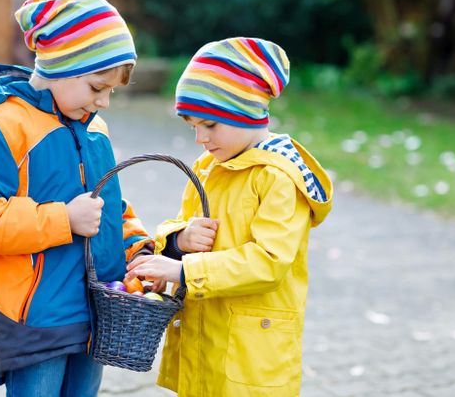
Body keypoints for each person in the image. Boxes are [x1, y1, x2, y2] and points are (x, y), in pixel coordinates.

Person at [0, 0, 154, 395]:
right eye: (95, 87)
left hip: (96, 308)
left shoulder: (93, 128)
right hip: (34, 317)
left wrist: (139, 250)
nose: (103, 101)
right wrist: (63, 220)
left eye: (110, 92)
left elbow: (112, 211)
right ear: (61, 66)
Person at [126, 37, 333, 396]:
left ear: (245, 112)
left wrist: (183, 271)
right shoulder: (209, 167)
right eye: (192, 126)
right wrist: (177, 243)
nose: (199, 139)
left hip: (250, 350)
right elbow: (183, 221)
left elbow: (269, 263)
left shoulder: (277, 178)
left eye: (209, 125)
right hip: (204, 336)